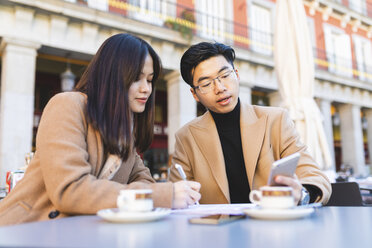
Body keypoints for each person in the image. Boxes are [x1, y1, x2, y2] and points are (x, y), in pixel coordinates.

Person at [0, 33, 200, 226]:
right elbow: (70, 189)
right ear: (112, 75)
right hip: (26, 230)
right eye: (136, 78)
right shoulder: (68, 105)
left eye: (149, 80)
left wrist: (172, 193)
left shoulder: (125, 133)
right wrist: (167, 195)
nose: (146, 88)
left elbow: (145, 183)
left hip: (80, 234)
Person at [169, 42, 331, 205]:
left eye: (225, 76)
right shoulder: (186, 138)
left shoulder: (275, 120)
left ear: (237, 75)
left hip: (273, 226)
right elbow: (176, 195)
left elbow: (315, 177)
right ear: (194, 94)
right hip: (215, 229)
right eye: (206, 84)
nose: (220, 88)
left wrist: (302, 194)